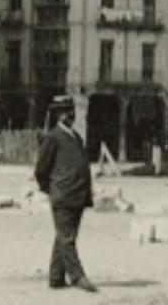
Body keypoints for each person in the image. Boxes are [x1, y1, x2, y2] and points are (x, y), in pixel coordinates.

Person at [34, 95, 97, 293]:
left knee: (64, 236)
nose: (69, 114)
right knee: (67, 237)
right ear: (57, 115)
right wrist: (51, 189)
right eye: (64, 110)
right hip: (62, 195)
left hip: (77, 195)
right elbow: (41, 169)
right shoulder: (52, 137)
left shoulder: (76, 137)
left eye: (70, 110)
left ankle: (56, 277)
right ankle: (78, 276)